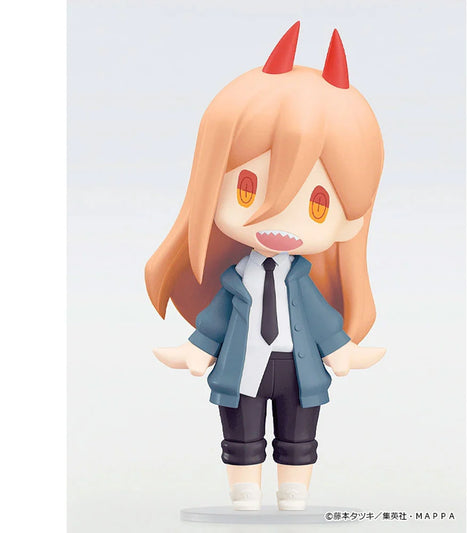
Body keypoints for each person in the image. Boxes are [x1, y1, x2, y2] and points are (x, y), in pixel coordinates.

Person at [145, 21, 386, 511]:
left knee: (300, 436)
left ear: (349, 220)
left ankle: (294, 489)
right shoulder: (236, 280)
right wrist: (197, 349)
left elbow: (320, 321)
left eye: (318, 204)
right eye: (248, 189)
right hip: (243, 371)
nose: (278, 223)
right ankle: (244, 491)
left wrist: (340, 349)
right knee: (240, 435)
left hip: (299, 373)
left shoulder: (300, 281)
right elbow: (217, 321)